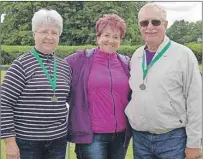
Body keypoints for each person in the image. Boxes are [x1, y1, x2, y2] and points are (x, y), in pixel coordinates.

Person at [125, 2, 202, 159]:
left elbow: (196, 101)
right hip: (140, 139)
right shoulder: (136, 56)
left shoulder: (183, 55)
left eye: (156, 22)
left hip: (172, 140)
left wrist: (194, 143)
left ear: (165, 24)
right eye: (144, 23)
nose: (150, 27)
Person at [1, 9, 71, 159]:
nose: (49, 37)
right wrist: (10, 142)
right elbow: (4, 103)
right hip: (27, 143)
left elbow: (68, 100)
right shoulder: (20, 65)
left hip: (58, 142)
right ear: (34, 34)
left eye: (54, 32)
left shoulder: (64, 67)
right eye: (44, 31)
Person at [65, 14, 131, 159]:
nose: (111, 40)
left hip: (120, 135)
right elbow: (54, 70)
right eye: (106, 35)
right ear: (98, 37)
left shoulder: (126, 63)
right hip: (91, 137)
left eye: (116, 37)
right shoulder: (80, 60)